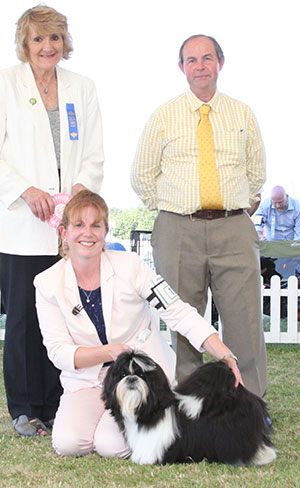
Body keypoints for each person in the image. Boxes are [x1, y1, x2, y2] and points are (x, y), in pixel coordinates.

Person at [34, 189, 243, 458]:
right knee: (69, 444)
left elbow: (178, 311)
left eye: (96, 225)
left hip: (142, 377)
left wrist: (224, 353)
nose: (88, 233)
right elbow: (58, 351)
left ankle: (114, 426)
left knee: (111, 446)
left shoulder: (132, 266)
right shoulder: (46, 283)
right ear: (64, 233)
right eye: (79, 225)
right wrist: (109, 353)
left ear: (105, 232)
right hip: (86, 380)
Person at [131, 34, 267, 397]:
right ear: (182, 68)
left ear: (220, 63)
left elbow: (257, 173)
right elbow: (141, 175)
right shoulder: (163, 116)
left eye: (207, 58)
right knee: (182, 319)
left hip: (234, 227)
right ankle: (189, 404)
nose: (200, 66)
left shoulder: (242, 114)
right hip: (178, 228)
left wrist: (238, 204)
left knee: (245, 322)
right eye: (192, 60)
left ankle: (250, 403)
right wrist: (173, 209)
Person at [0, 6, 104, 437]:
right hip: (23, 223)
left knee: (63, 315)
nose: (47, 47)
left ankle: (60, 403)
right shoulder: (6, 84)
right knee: (25, 317)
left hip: (69, 226)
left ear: (65, 43)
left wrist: (79, 191)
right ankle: (25, 409)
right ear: (26, 44)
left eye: (55, 38)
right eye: (39, 39)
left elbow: (95, 150)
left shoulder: (83, 87)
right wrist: (27, 190)